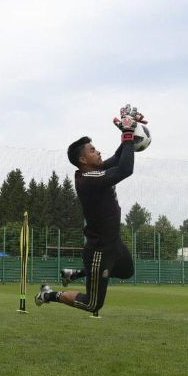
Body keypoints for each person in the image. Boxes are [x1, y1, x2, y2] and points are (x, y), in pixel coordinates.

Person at [34, 105, 147, 317]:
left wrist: (126, 131)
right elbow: (125, 169)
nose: (98, 151)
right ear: (83, 160)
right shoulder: (88, 180)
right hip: (99, 251)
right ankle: (49, 294)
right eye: (92, 150)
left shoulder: (95, 171)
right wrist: (130, 133)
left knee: (127, 271)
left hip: (114, 243)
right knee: (92, 304)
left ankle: (76, 273)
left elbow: (118, 157)